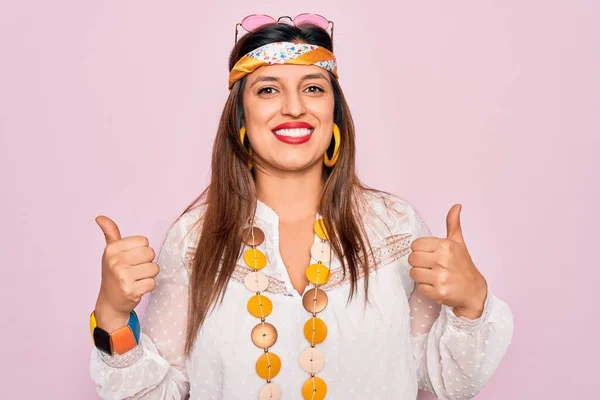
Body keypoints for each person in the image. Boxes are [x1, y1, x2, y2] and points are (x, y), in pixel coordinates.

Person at [89, 14, 514, 400]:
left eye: (313, 88)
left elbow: (445, 380)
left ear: (335, 113)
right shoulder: (193, 240)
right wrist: (112, 317)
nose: (294, 107)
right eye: (268, 90)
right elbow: (157, 394)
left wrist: (471, 302)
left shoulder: (395, 227)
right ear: (240, 118)